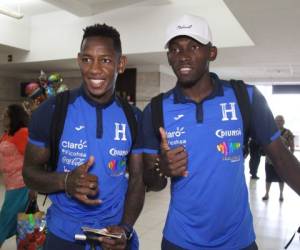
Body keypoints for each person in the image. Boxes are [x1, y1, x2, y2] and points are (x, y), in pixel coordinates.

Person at [142, 14, 300, 250]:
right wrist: (160, 169)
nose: (182, 55)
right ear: (168, 56)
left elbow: (280, 157)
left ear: (212, 53)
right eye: (174, 49)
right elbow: (150, 182)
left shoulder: (245, 97)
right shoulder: (155, 109)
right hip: (180, 241)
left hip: (238, 241)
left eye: (193, 46)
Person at [23, 23, 145, 250]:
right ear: (79, 60)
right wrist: (66, 181)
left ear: (121, 64)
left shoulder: (133, 117)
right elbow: (29, 173)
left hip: (112, 234)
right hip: (63, 236)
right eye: (87, 59)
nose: (94, 69)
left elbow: (138, 180)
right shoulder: (52, 110)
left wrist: (126, 228)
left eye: (106, 60)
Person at [0, 104, 34, 247]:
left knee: (5, 221)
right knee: (22, 225)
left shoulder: (22, 133)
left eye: (6, 115)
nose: (2, 118)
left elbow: (32, 160)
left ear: (14, 117)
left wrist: (34, 187)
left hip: (21, 186)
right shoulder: (8, 134)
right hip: (10, 185)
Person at [262, 115, 294, 202]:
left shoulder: (288, 132)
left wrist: (290, 158)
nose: (278, 122)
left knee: (281, 178)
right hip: (269, 159)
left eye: (280, 120)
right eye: (276, 120)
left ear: (283, 122)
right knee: (268, 177)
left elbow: (292, 146)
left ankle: (281, 194)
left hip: (282, 161)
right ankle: (267, 193)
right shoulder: (270, 131)